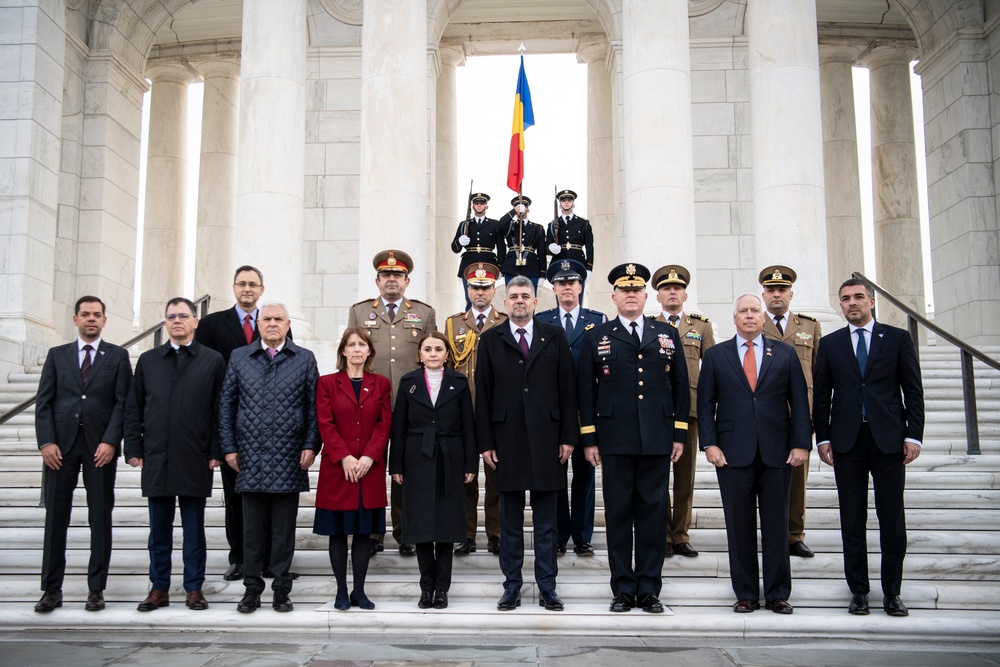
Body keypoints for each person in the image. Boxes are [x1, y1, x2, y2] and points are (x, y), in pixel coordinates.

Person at [577, 263, 689, 614]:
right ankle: (624, 588)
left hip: (657, 437)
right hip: (615, 439)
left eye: (636, 290)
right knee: (619, 514)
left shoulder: (666, 333)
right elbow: (585, 391)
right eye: (624, 290)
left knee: (654, 514)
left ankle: (649, 589)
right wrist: (589, 438)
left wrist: (679, 433)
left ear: (646, 296)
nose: (630, 295)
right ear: (614, 297)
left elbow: (680, 387)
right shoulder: (597, 335)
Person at [814, 278, 924, 617]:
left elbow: (913, 391)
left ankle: (892, 592)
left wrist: (913, 435)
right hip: (847, 442)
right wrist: (823, 436)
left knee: (892, 519)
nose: (852, 303)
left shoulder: (897, 338)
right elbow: (821, 395)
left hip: (889, 440)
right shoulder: (830, 344)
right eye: (845, 299)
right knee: (852, 519)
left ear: (872, 301)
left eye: (859, 297)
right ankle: (859, 591)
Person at [698, 293, 812, 615]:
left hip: (778, 454)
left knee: (777, 525)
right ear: (734, 319)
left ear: (763, 318)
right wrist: (710, 444)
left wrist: (801, 442)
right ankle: (746, 593)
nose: (749, 315)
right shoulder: (716, 356)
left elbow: (800, 402)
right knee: (739, 526)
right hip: (732, 455)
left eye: (754, 311)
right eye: (742, 311)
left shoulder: (786, 355)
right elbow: (705, 404)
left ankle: (777, 593)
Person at [475, 276, 578, 612]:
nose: (519, 301)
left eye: (526, 296)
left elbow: (567, 389)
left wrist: (567, 437)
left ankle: (548, 587)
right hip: (507, 441)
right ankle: (512, 586)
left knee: (548, 522)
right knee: (510, 523)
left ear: (536, 302)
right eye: (514, 296)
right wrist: (486, 441)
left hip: (548, 440)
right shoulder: (490, 340)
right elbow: (484, 395)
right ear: (505, 303)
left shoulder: (555, 336)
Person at [124, 297, 226, 612]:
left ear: (195, 322)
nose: (177, 320)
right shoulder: (149, 360)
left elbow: (218, 410)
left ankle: (194, 587)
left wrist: (215, 450)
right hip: (157, 454)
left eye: (184, 315)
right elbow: (134, 405)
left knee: (194, 528)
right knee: (159, 529)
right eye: (171, 316)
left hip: (196, 454)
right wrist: (134, 447)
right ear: (165, 323)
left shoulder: (212, 360)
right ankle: (159, 588)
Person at [219, 303, 320, 614]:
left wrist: (311, 445)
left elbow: (314, 407)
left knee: (282, 531)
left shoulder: (303, 359)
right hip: (250, 457)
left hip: (289, 457)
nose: (273, 324)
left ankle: (280, 590)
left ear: (288, 324)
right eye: (267, 319)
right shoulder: (240, 357)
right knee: (251, 531)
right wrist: (229, 448)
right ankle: (251, 590)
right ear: (258, 324)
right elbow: (226, 405)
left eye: (279, 319)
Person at [33, 296, 132, 613]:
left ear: (105, 320)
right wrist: (46, 442)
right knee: (55, 520)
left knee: (100, 518)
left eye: (97, 315)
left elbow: (123, 403)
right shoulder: (56, 355)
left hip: (99, 449)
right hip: (59, 449)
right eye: (86, 314)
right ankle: (51, 589)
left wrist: (111, 441)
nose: (91, 319)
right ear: (75, 319)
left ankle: (96, 589)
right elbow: (44, 403)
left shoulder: (117, 356)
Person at [195, 265, 293, 582]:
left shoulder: (275, 323)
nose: (247, 289)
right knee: (236, 497)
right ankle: (238, 557)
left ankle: (268, 559)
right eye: (242, 284)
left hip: (273, 429)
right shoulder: (211, 325)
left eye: (253, 284)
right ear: (234, 287)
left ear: (262, 290)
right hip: (235, 427)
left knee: (268, 498)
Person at [348, 249, 436, 557]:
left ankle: (405, 532)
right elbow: (353, 354)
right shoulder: (360, 313)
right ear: (377, 280)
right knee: (370, 469)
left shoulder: (424, 314)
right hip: (369, 405)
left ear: (407, 280)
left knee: (406, 472)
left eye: (397, 275)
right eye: (386, 275)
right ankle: (372, 533)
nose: (391, 280)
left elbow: (430, 359)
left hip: (410, 406)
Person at [389, 332, 477, 609]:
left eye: (439, 349)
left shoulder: (459, 383)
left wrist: (470, 464)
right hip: (417, 458)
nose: (433, 353)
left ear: (447, 354)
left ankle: (442, 588)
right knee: (422, 525)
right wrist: (397, 465)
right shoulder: (408, 383)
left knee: (446, 525)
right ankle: (426, 588)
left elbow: (468, 427)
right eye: (428, 349)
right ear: (420, 353)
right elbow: (399, 427)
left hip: (450, 457)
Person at [314, 327, 392, 611]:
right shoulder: (327, 383)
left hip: (368, 470)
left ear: (369, 351)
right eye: (351, 345)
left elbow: (384, 424)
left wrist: (370, 456)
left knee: (362, 533)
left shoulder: (381, 383)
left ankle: (359, 591)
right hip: (338, 469)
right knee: (338, 532)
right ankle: (341, 591)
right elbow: (325, 422)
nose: (357, 349)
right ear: (343, 351)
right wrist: (344, 456)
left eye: (362, 345)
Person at [536, 258, 607, 556]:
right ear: (553, 288)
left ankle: (582, 535)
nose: (567, 287)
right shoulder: (542, 320)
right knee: (555, 475)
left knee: (584, 475)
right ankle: (558, 535)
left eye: (572, 282)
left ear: (580, 286)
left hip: (586, 408)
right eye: (561, 283)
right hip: (553, 409)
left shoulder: (599, 319)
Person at [444, 262, 508, 556]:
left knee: (497, 478)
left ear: (494, 290)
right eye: (474, 287)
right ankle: (465, 533)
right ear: (467, 290)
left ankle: (495, 532)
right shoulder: (452, 324)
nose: (479, 292)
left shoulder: (505, 321)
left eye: (485, 287)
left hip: (496, 413)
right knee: (464, 477)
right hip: (463, 412)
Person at [651, 264, 715, 558]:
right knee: (658, 478)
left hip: (689, 411)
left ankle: (681, 534)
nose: (672, 292)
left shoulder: (700, 325)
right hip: (657, 411)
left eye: (677, 288)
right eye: (666, 288)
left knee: (685, 477)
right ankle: (662, 533)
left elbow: (713, 369)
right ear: (658, 296)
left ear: (685, 294)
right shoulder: (650, 324)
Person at [759, 265, 822, 558]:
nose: (776, 295)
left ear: (791, 294)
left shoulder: (809, 326)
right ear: (763, 295)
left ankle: (794, 535)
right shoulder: (754, 323)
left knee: (798, 479)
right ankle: (771, 532)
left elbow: (820, 376)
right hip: (766, 415)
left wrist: (818, 417)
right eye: (771, 290)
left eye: (781, 290)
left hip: (800, 413)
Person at [451, 192, 505, 309]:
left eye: (482, 203)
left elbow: (501, 247)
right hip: (469, 264)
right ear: (472, 206)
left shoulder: (494, 225)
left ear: (486, 206)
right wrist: (459, 242)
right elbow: (455, 248)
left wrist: (500, 268)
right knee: (470, 298)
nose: (479, 205)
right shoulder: (464, 225)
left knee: (487, 297)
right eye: (476, 203)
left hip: (488, 264)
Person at [545, 189, 594, 291]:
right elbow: (546, 247)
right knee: (561, 291)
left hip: (578, 261)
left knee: (577, 293)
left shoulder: (583, 223)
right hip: (559, 261)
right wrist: (550, 248)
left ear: (573, 204)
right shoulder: (552, 225)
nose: (566, 202)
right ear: (559, 205)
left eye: (569, 200)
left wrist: (589, 268)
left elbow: (589, 247)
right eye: (563, 200)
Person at [500, 196, 547, 291]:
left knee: (530, 298)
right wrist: (514, 211)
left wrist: (543, 273)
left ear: (528, 209)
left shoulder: (538, 228)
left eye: (523, 206)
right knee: (512, 297)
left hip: (532, 267)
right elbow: (500, 224)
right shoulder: (510, 225)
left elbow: (541, 251)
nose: (520, 208)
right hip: (511, 266)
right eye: (517, 206)